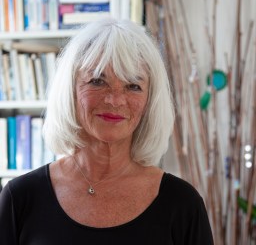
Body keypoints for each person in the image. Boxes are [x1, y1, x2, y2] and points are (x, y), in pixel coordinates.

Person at [0, 18, 214, 244]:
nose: (115, 100)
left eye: (133, 86)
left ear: (150, 100)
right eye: (97, 81)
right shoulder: (20, 198)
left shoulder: (182, 204)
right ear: (70, 91)